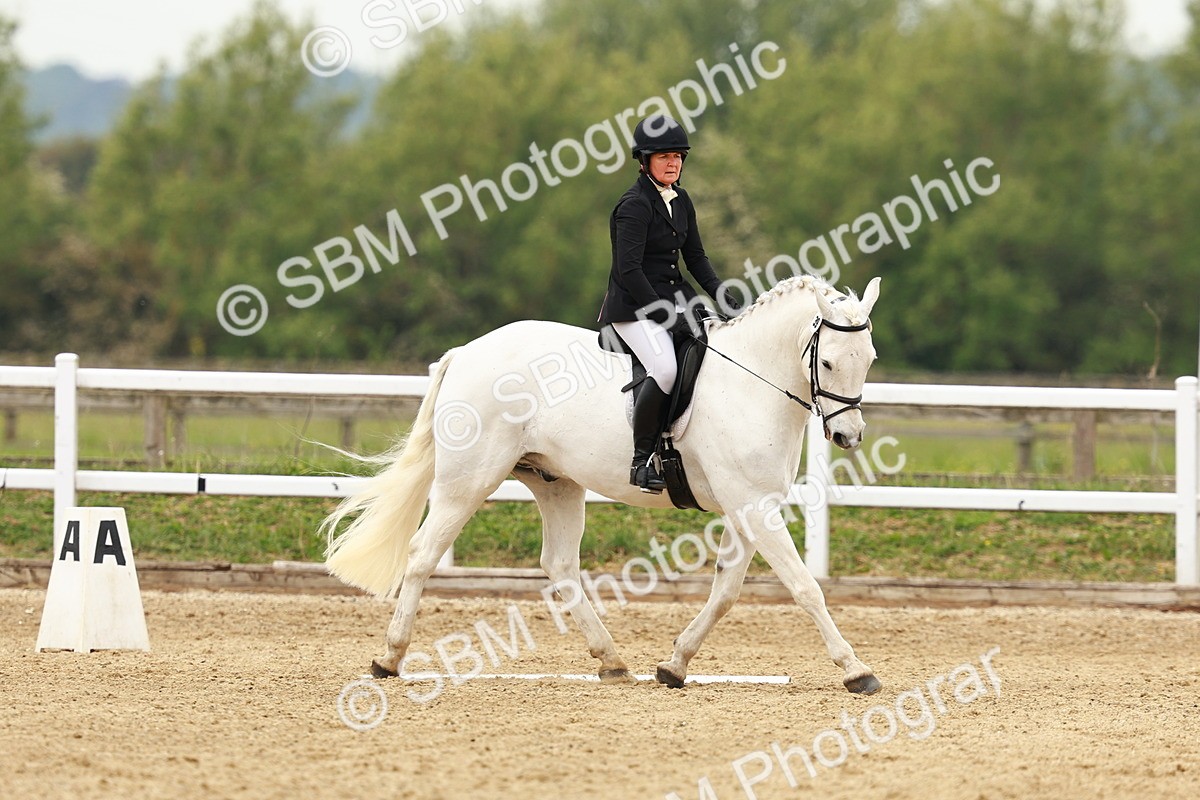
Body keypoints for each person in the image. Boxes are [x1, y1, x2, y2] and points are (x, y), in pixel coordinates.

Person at [597, 114, 739, 493]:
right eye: (664, 157)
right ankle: (641, 460)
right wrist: (663, 314)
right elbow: (629, 270)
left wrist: (723, 294)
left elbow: (696, 258)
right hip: (633, 307)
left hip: (678, 299)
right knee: (664, 368)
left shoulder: (681, 200)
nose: (673, 163)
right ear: (645, 162)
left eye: (677, 156)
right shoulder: (634, 205)